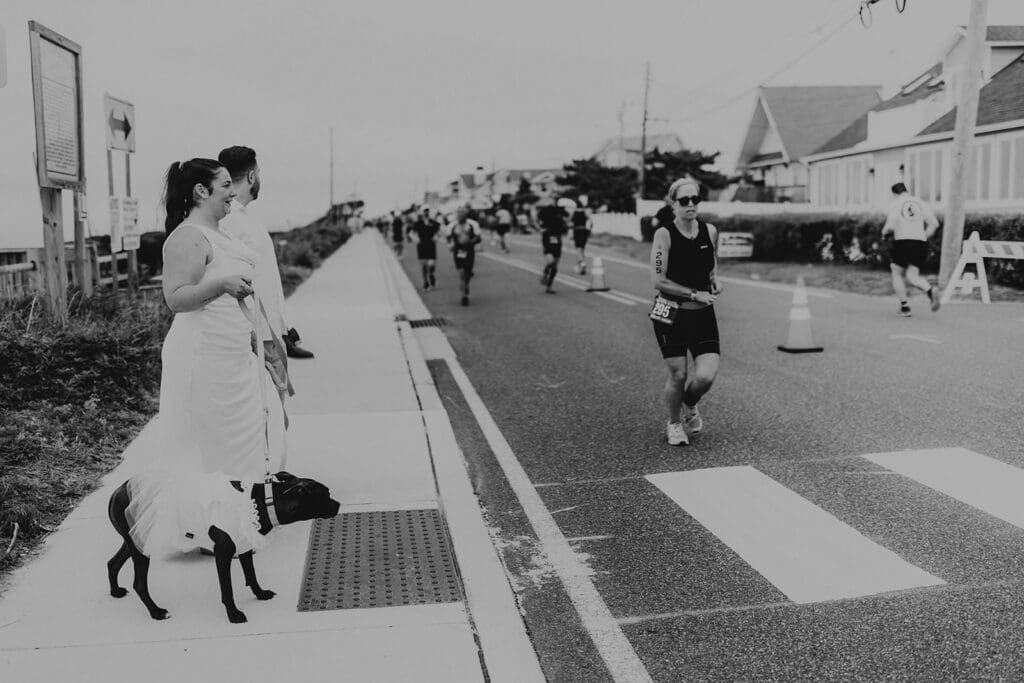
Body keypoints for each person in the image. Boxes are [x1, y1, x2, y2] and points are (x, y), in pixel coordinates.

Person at [158, 158, 286, 479]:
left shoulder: (222, 234)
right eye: (226, 185)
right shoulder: (188, 237)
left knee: (262, 430)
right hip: (204, 356)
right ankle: (217, 519)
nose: (233, 193)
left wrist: (255, 341)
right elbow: (176, 298)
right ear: (202, 190)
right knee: (214, 450)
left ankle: (244, 514)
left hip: (235, 352)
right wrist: (221, 284)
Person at [218, 145, 313, 361]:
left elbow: (265, 278)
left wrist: (283, 326)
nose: (259, 178)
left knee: (274, 392)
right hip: (255, 336)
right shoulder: (230, 220)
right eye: (258, 173)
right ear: (251, 176)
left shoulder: (243, 219)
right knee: (268, 393)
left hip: (268, 331)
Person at [650, 179, 723, 447]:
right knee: (679, 375)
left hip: (703, 313)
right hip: (670, 311)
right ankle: (673, 423)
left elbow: (711, 267)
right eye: (684, 200)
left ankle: (689, 403)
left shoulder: (710, 231)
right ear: (673, 203)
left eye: (695, 199)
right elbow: (658, 280)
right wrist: (693, 293)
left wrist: (714, 281)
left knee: (705, 376)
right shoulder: (664, 234)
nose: (691, 204)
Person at [881, 182, 941, 316]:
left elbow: (890, 226)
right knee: (912, 275)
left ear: (895, 194)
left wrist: (883, 233)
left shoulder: (896, 203)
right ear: (906, 191)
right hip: (919, 242)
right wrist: (925, 235)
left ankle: (905, 307)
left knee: (896, 273)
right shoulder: (920, 202)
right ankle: (930, 290)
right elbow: (934, 223)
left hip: (902, 241)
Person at [447, 206, 482, 306]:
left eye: (463, 213)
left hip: (469, 250)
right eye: (459, 213)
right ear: (457, 215)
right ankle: (464, 296)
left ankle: (466, 285)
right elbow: (448, 237)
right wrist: (450, 244)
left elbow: (478, 238)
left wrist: (470, 241)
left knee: (468, 272)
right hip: (458, 251)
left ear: (466, 214)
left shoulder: (473, 224)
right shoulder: (452, 225)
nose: (461, 215)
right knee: (461, 273)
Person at [537, 197, 568, 293]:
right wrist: (540, 227)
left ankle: (549, 286)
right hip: (548, 236)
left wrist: (565, 223)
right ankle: (545, 273)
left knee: (555, 266)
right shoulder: (546, 210)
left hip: (557, 238)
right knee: (550, 261)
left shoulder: (562, 211)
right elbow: (538, 218)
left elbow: (567, 219)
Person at [410, 208, 441, 290]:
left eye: (427, 211)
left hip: (431, 245)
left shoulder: (433, 223)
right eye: (424, 211)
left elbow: (439, 231)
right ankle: (425, 282)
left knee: (431, 265)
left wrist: (436, 236)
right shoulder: (418, 223)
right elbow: (411, 233)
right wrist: (416, 239)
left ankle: (431, 275)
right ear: (422, 212)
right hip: (421, 246)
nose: (426, 213)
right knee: (424, 265)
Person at [571, 203, 592, 275]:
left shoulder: (575, 213)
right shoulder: (584, 213)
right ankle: (580, 266)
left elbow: (571, 222)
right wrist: (589, 231)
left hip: (577, 231)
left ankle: (582, 263)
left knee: (578, 249)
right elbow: (590, 221)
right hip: (584, 232)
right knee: (582, 249)